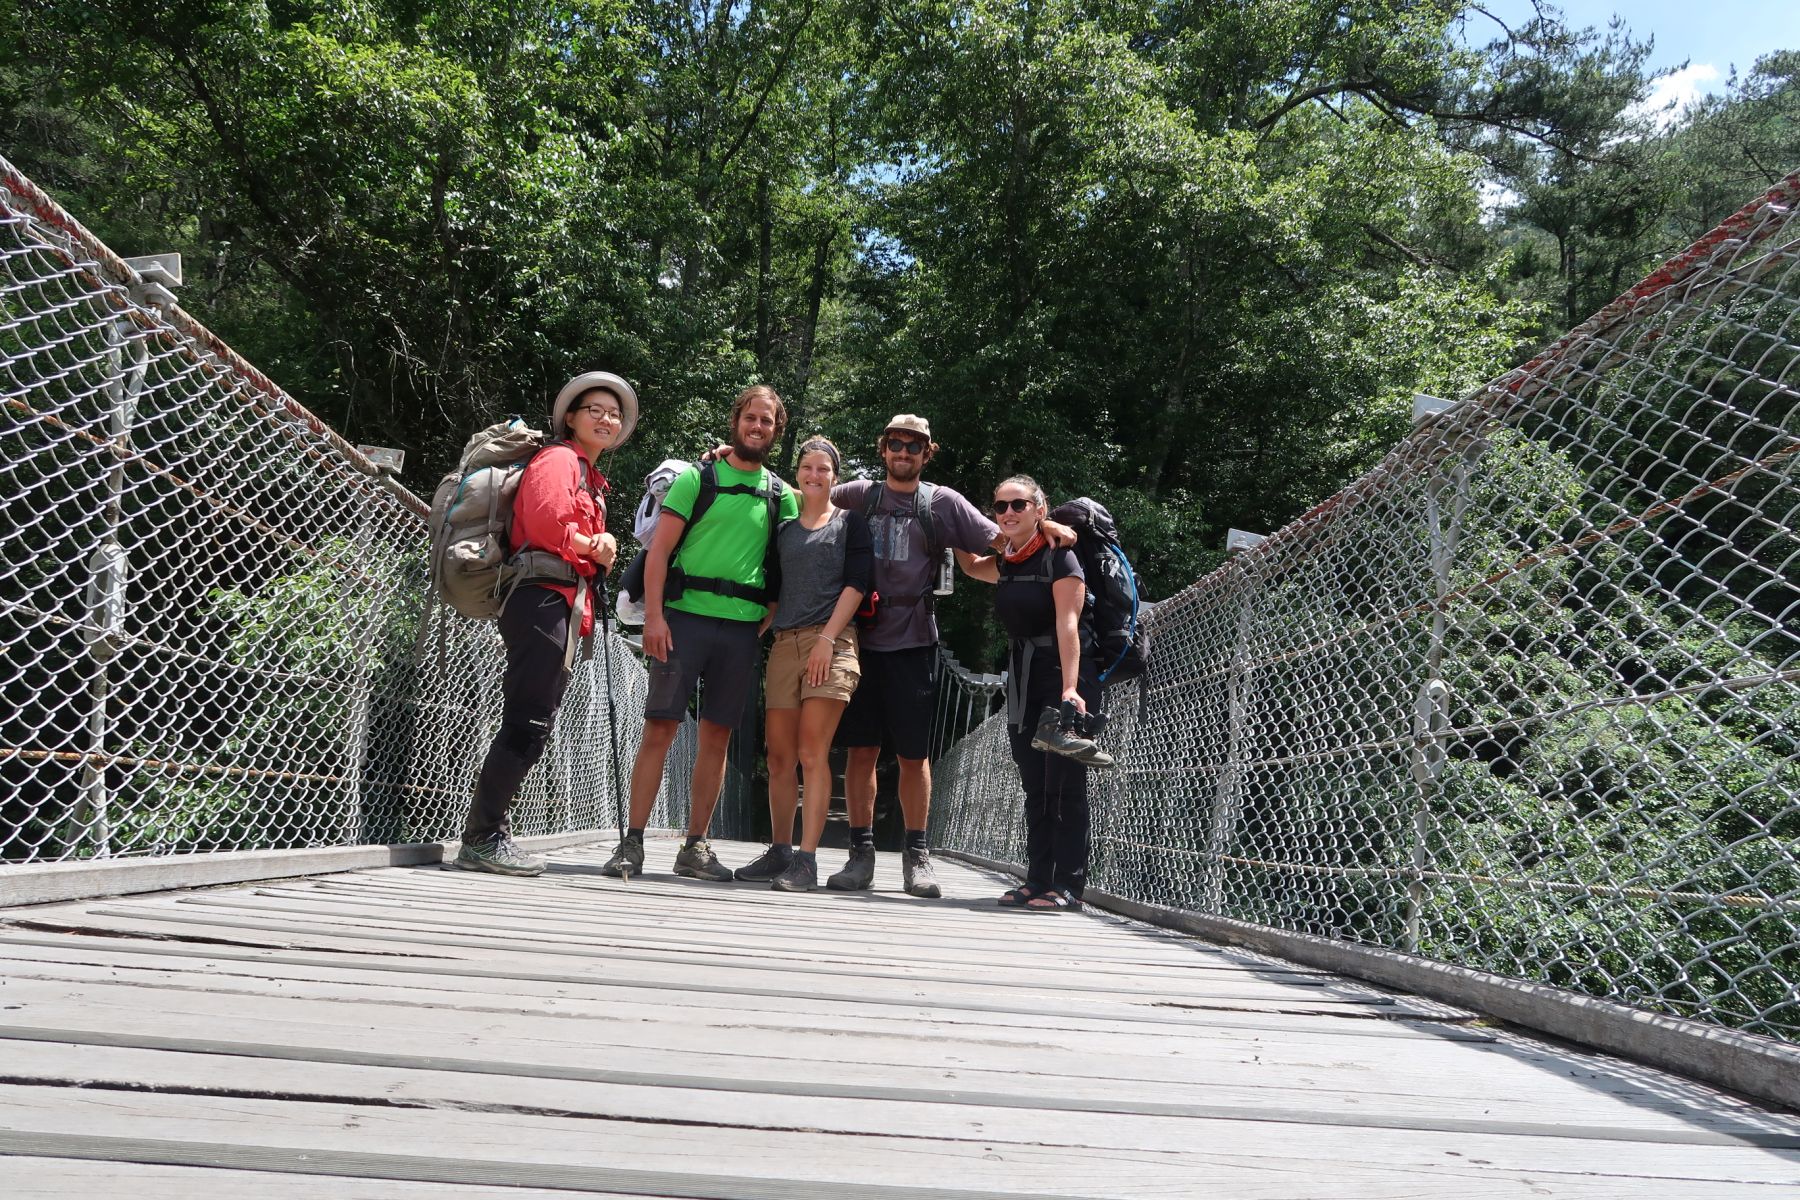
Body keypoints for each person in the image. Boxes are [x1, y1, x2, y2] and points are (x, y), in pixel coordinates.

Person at [603, 385, 799, 880]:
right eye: (751, 417)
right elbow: (660, 552)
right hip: (683, 622)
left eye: (768, 421)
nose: (758, 427)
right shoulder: (697, 478)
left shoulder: (781, 496)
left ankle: (695, 846)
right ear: (736, 420)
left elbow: (790, 561)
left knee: (717, 738)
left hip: (740, 633)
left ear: (777, 431)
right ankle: (633, 842)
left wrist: (769, 614)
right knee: (660, 729)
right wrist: (654, 617)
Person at [453, 370, 635, 876]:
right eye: (594, 409)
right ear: (570, 418)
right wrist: (598, 546)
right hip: (541, 599)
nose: (606, 417)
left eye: (614, 412)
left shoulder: (592, 478)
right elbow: (547, 522)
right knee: (529, 720)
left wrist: (602, 548)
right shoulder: (558, 459)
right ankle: (484, 836)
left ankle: (488, 832)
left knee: (535, 719)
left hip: (559, 604)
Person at [824, 414, 1006, 898]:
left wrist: (1045, 547)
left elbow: (992, 551)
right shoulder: (857, 495)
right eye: (896, 444)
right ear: (883, 448)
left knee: (913, 755)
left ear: (928, 453)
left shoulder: (942, 503)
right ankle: (859, 856)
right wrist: (726, 462)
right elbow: (799, 496)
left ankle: (917, 857)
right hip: (859, 642)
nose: (903, 453)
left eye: (914, 446)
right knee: (861, 751)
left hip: (914, 643)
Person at [734, 436, 873, 891]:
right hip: (785, 644)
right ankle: (780, 851)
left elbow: (856, 584)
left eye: (824, 469)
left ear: (836, 477)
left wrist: (827, 639)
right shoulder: (785, 529)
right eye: (807, 468)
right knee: (778, 757)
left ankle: (807, 861)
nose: (815, 475)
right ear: (797, 474)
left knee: (813, 753)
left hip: (830, 645)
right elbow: (775, 587)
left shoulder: (851, 523)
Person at [959, 475, 1096, 911]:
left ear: (1041, 509)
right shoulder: (1008, 561)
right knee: (1034, 783)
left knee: (1065, 783)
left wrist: (1071, 689)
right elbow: (968, 566)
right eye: (1000, 506)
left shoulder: (1061, 557)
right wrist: (947, 528)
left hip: (1062, 674)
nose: (1008, 513)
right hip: (1022, 676)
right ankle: (1037, 880)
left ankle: (1069, 887)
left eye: (1019, 504)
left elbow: (1068, 625)